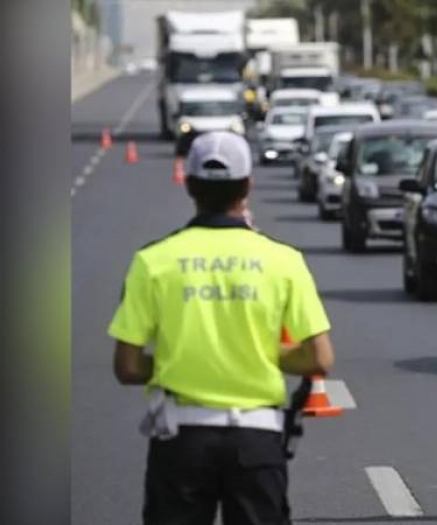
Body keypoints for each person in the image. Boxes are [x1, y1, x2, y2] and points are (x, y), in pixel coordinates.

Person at [108, 131, 335, 525]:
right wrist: (262, 355)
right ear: (247, 185)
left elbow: (127, 367)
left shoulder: (153, 261)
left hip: (181, 439)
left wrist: (176, 361)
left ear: (190, 185)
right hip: (257, 440)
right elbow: (320, 358)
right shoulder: (283, 261)